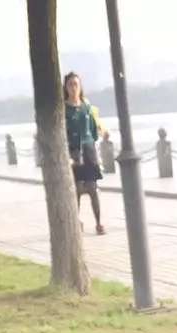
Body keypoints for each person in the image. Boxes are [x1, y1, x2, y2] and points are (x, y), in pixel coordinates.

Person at [64, 71, 105, 235]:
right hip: (73, 152)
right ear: (66, 88)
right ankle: (76, 223)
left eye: (76, 84)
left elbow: (94, 131)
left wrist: (92, 145)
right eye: (70, 85)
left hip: (89, 151)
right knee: (78, 189)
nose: (73, 88)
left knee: (93, 188)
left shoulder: (86, 107)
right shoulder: (64, 109)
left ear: (80, 86)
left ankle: (99, 223)